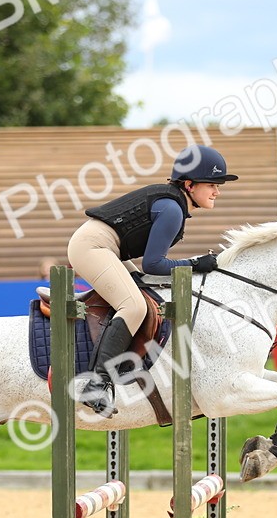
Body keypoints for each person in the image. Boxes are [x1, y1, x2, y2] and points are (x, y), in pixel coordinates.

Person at [66, 144, 237, 416]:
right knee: (134, 307)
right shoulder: (172, 210)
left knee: (145, 294)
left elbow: (150, 268)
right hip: (93, 247)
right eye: (212, 184)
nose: (218, 190)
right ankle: (97, 383)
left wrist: (192, 264)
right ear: (190, 185)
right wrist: (194, 264)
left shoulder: (174, 203)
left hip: (107, 248)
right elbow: (154, 264)